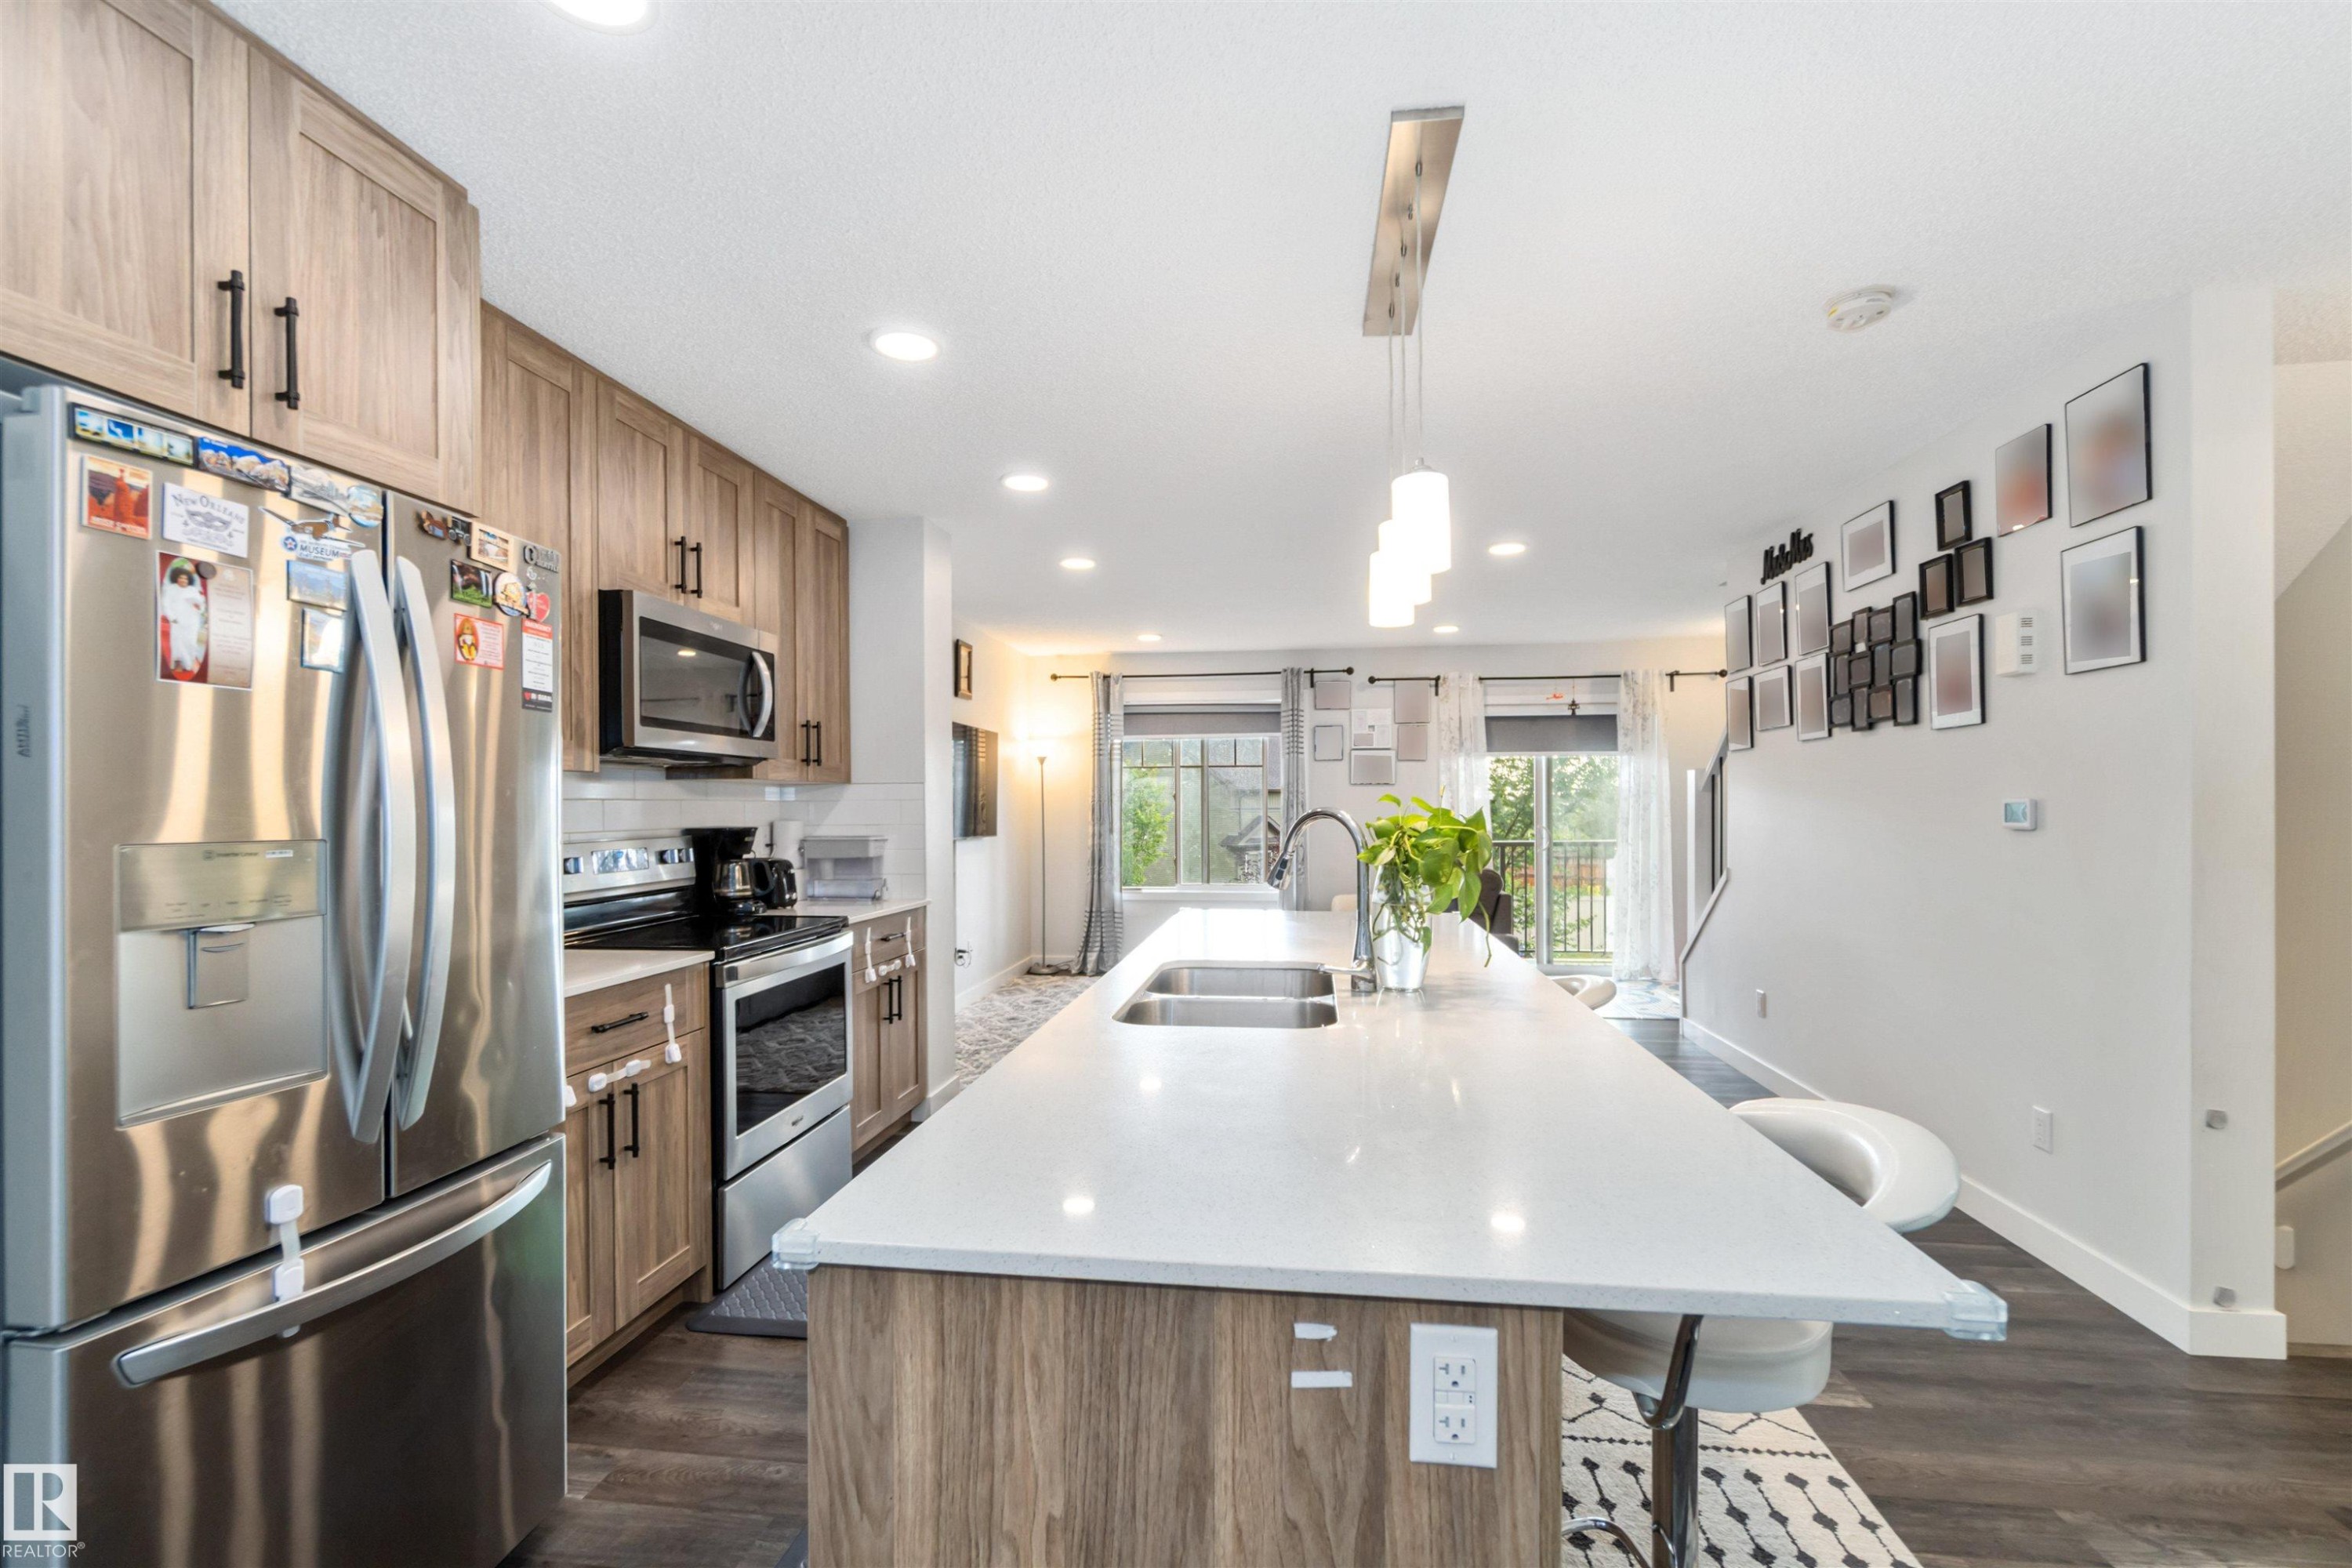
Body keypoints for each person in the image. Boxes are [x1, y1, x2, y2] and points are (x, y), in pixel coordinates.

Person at [159, 557, 208, 681]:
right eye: (181, 578)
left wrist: (199, 607)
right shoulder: (171, 589)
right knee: (177, 643)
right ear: (177, 578)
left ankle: (188, 665)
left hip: (192, 622)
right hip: (177, 621)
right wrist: (172, 618)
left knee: (190, 643)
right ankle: (178, 665)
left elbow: (201, 606)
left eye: (185, 578)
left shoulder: (193, 590)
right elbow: (166, 604)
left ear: (189, 580)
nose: (183, 580)